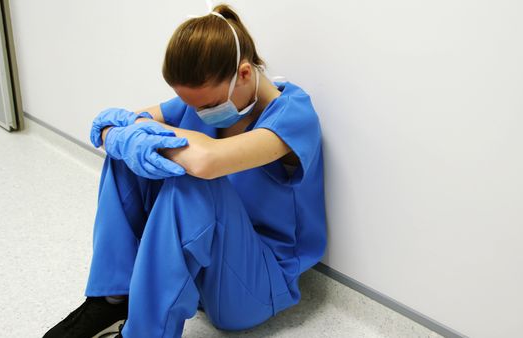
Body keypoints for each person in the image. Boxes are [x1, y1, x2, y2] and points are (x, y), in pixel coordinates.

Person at [43, 4, 327, 338]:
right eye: (190, 104)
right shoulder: (202, 101)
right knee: (128, 157)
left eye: (207, 105)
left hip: (258, 285)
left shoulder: (294, 117)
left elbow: (208, 161)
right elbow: (115, 124)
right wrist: (126, 138)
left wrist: (140, 135)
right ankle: (113, 297)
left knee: (191, 180)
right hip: (205, 269)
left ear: (245, 74)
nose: (198, 113)